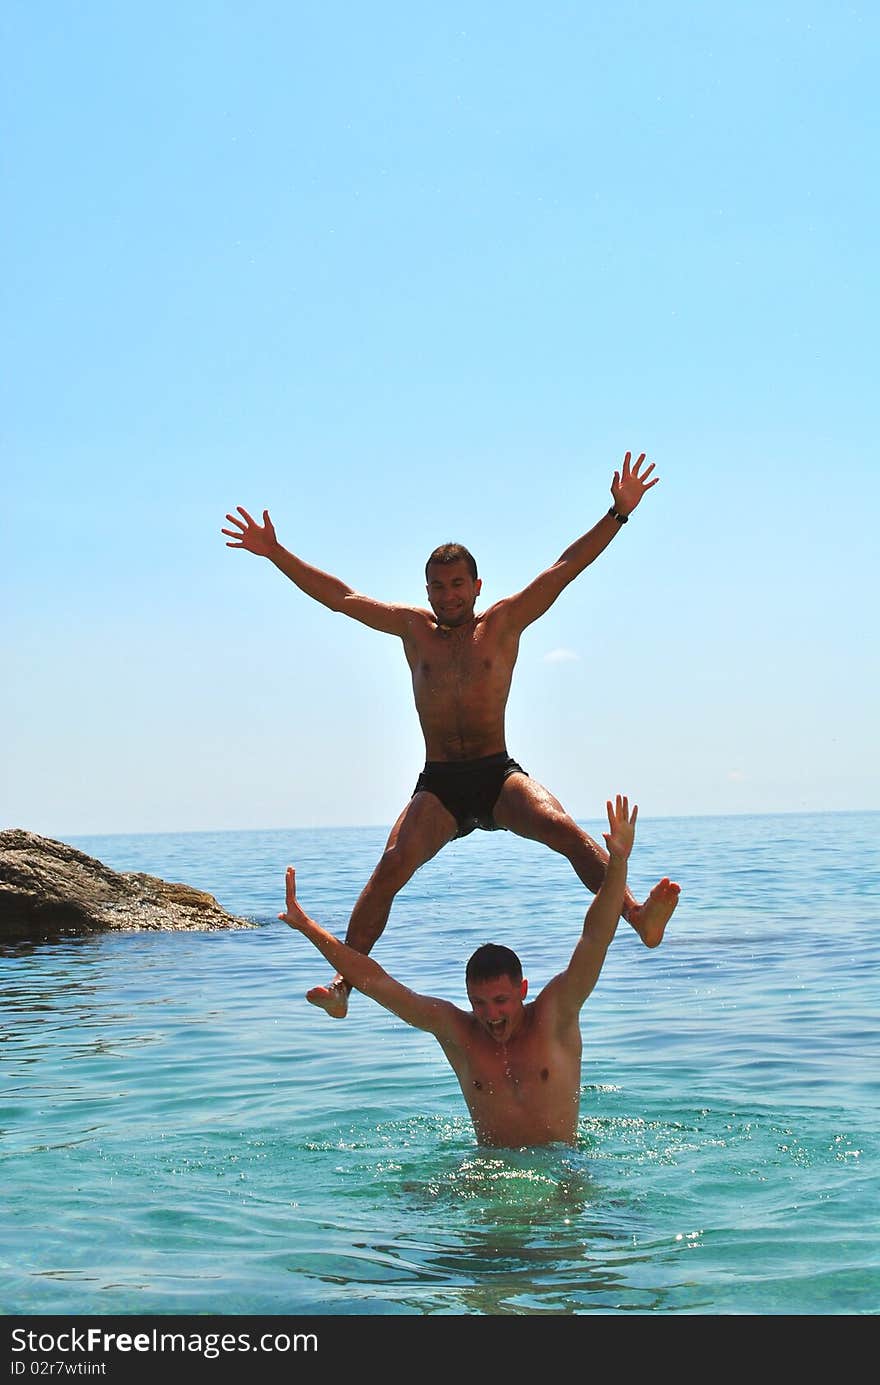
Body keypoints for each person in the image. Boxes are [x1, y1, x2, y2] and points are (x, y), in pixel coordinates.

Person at [223, 451, 679, 1018]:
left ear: (477, 585)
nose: (447, 596)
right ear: (427, 589)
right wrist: (275, 553)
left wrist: (618, 514)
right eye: (437, 587)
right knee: (391, 865)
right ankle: (344, 984)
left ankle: (638, 918)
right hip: (440, 783)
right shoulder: (413, 629)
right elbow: (340, 597)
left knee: (563, 828)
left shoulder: (506, 621)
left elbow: (565, 567)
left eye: (457, 585)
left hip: (496, 773)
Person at [280, 795, 673, 1148]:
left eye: (501, 1001)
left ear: (523, 989)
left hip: (564, 1173)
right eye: (479, 1003)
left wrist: (618, 862)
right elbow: (376, 981)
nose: (491, 1015)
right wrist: (307, 927)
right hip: (487, 1179)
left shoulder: (556, 1014)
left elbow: (595, 938)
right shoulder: (459, 1033)